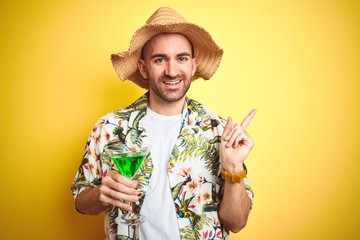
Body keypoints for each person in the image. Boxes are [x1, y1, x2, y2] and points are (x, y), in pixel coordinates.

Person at [71, 7, 256, 240]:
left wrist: (233, 168)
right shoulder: (109, 127)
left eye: (181, 58)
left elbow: (237, 223)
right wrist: (100, 194)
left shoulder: (218, 131)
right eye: (160, 59)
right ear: (143, 67)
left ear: (193, 65)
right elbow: (80, 200)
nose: (172, 71)